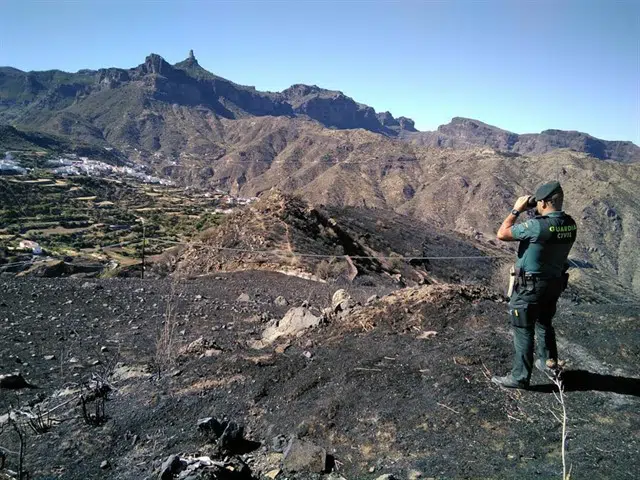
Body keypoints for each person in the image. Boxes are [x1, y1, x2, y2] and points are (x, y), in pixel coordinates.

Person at [491, 181, 577, 389]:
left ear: (545, 203)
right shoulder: (570, 223)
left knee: (523, 328)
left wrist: (516, 210)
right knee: (544, 322)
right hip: (554, 283)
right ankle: (548, 363)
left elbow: (502, 234)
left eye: (539, 203)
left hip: (530, 286)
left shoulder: (537, 226)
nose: (536, 206)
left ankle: (519, 377)